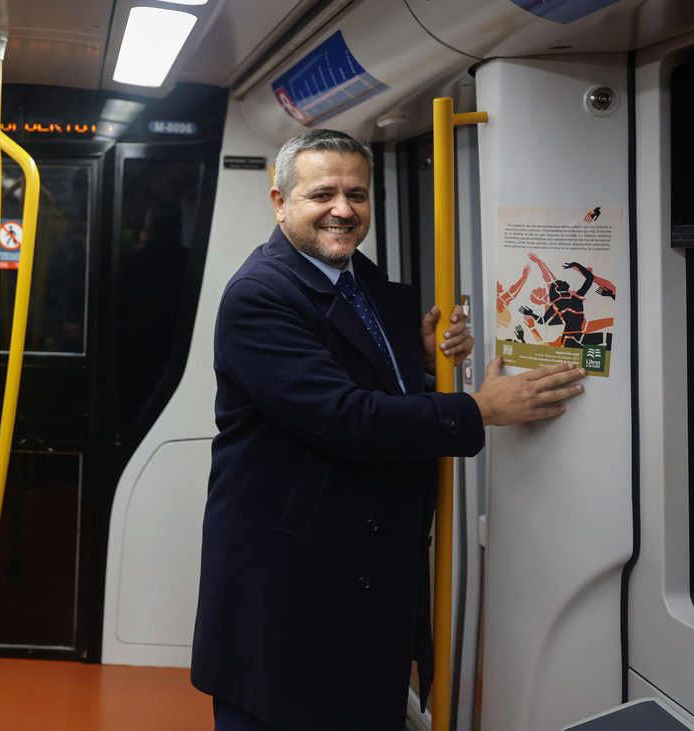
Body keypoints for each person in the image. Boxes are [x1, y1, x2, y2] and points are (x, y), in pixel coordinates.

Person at [190, 128, 586, 731]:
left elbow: (367, 381)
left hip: (361, 576)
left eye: (358, 194)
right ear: (279, 202)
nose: (343, 210)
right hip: (290, 586)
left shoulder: (360, 281)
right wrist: (481, 409)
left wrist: (418, 364)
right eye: (322, 194)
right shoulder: (259, 296)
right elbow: (347, 418)